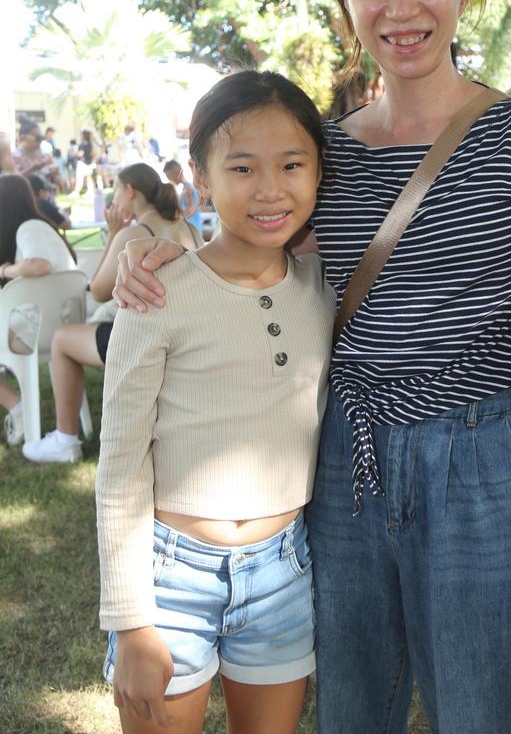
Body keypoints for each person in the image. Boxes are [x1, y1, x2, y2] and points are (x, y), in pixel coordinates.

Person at [114, 0, 511, 734]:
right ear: (345, 1)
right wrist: (145, 246)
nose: (400, 4)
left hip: (482, 458)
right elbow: (249, 255)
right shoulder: (323, 154)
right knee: (350, 707)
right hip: (344, 455)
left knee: (481, 707)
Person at [97, 71, 335, 733]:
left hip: (283, 570)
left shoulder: (325, 285)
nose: (270, 189)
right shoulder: (159, 290)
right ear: (202, 178)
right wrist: (131, 620)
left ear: (318, 173)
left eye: (293, 164)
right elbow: (120, 463)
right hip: (170, 576)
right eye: (241, 167)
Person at [22, 163, 202, 465]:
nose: (113, 200)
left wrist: (114, 235)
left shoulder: (134, 233)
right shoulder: (188, 227)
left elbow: (97, 290)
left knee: (62, 338)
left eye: (115, 190)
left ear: (130, 191)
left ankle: (65, 439)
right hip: (186, 336)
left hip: (142, 340)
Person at [0, 174, 78, 446]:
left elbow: (39, 265)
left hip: (40, 332)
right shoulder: (42, 227)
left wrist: (6, 270)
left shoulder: (29, 228)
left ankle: (17, 407)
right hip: (62, 327)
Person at [163, 159, 203, 236]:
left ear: (177, 172)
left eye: (169, 176)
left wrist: (172, 216)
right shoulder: (188, 187)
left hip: (192, 230)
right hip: (194, 230)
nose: (170, 180)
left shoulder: (187, 189)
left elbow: (190, 210)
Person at [12, 119, 59, 186]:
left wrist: (55, 174)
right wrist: (32, 169)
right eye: (37, 138)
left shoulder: (45, 157)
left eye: (41, 138)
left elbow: (58, 185)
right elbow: (11, 182)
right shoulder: (14, 157)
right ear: (22, 137)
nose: (40, 141)